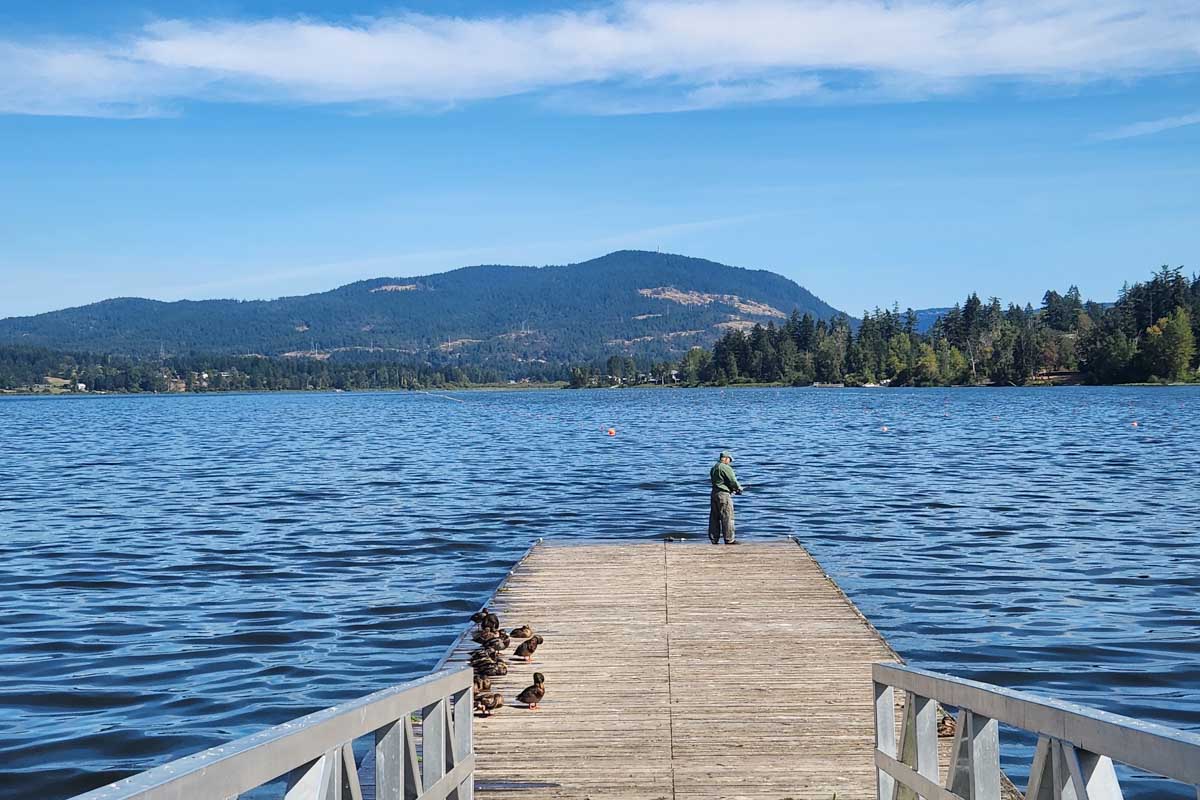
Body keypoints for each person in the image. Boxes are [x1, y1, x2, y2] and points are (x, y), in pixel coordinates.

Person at [708, 450, 743, 545]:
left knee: (714, 517)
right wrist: (738, 488)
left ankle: (714, 539)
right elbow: (732, 480)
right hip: (723, 495)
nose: (730, 462)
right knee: (727, 517)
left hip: (714, 493)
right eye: (730, 460)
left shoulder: (714, 467)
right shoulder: (725, 468)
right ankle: (729, 539)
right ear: (726, 459)